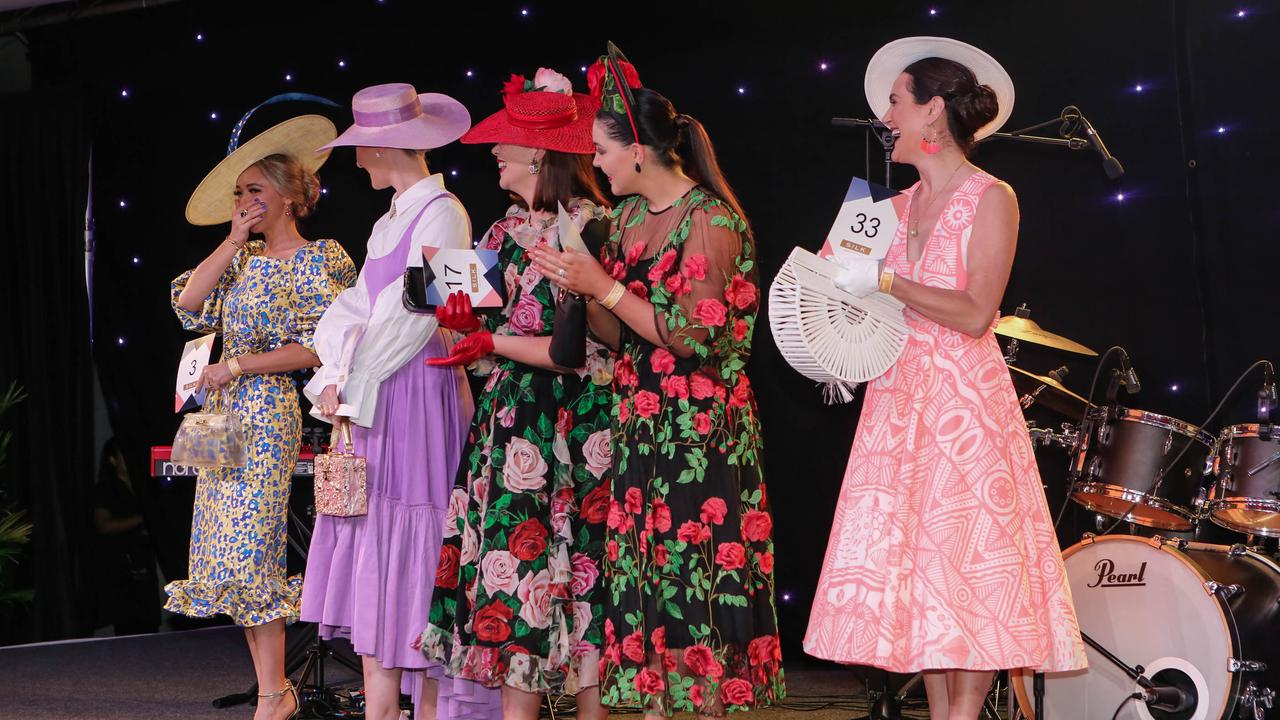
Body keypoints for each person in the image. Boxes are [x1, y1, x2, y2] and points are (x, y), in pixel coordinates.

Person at [803, 37, 1087, 720]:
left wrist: (887, 280)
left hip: (963, 407)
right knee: (922, 584)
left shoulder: (994, 197)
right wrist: (828, 323)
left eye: (897, 103)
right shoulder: (883, 207)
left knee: (965, 573)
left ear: (934, 112)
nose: (887, 118)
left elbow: (974, 311)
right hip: (897, 402)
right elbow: (821, 290)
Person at [530, 49, 784, 718]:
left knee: (696, 583)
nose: (598, 164)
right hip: (643, 424)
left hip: (700, 431)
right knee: (646, 587)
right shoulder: (628, 222)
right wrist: (578, 289)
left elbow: (688, 336)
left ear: (638, 149)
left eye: (603, 151)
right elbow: (628, 336)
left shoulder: (711, 219)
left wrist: (603, 285)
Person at [416, 67, 614, 720]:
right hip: (509, 427)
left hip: (570, 425)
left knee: (582, 576)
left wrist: (488, 342)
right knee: (513, 570)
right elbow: (447, 303)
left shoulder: (588, 225)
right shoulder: (500, 233)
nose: (494, 151)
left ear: (539, 152)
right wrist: (450, 305)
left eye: (505, 140)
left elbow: (573, 351)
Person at [299, 83, 495, 720]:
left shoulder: (446, 213)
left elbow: (421, 315)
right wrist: (332, 372)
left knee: (415, 529)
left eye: (363, 148)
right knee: (375, 532)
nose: (357, 161)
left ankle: (428, 702)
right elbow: (356, 305)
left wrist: (353, 384)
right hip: (376, 393)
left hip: (412, 391)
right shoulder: (387, 220)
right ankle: (384, 703)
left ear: (387, 148)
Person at [168, 114, 357, 720]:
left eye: (256, 190)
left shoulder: (319, 258)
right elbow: (188, 306)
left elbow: (321, 344)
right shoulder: (241, 259)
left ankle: (275, 694)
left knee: (253, 551)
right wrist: (229, 240)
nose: (246, 201)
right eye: (240, 192)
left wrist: (242, 365)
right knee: (220, 555)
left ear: (291, 196)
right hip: (215, 416)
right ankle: (273, 688)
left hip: (267, 410)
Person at [92, 437, 160, 636]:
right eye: (124, 455)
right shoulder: (105, 490)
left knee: (149, 623)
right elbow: (103, 526)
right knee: (128, 624)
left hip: (145, 561)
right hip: (120, 565)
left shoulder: (143, 487)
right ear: (113, 460)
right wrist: (142, 519)